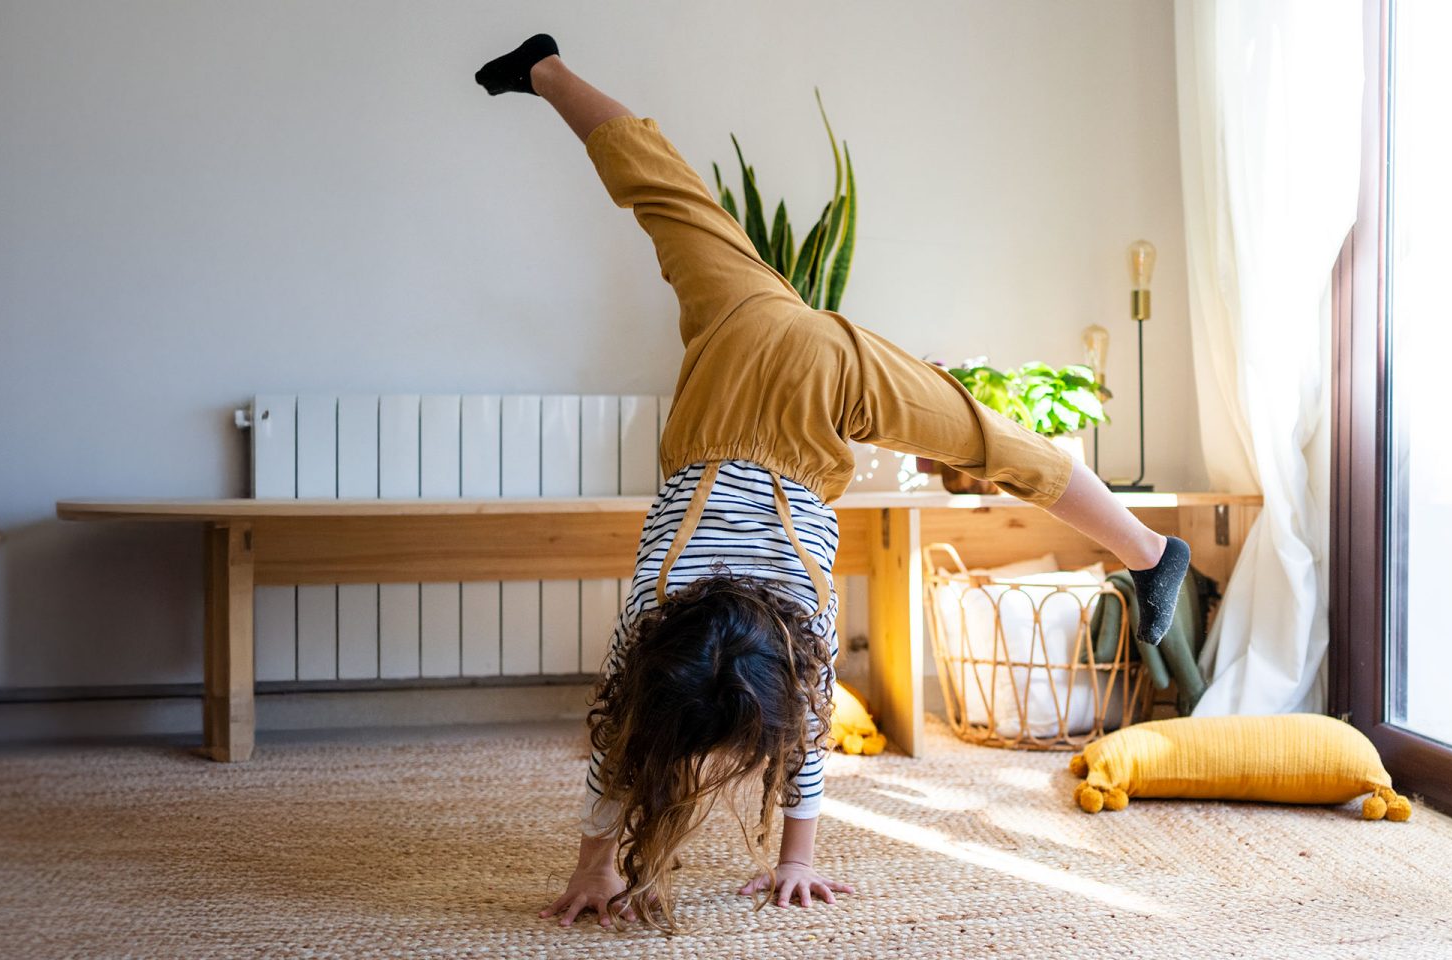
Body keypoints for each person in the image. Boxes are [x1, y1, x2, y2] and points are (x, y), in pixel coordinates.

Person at [475, 34, 1193, 932]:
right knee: (666, 192)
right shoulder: (653, 609)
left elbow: (781, 736)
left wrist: (743, 862)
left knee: (980, 437)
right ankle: (546, 70)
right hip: (750, 332)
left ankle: (1151, 551)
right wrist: (759, 863)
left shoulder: (795, 628)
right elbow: (682, 740)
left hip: (810, 372)